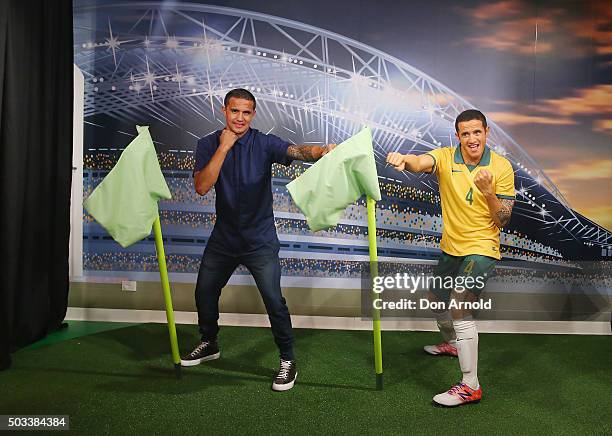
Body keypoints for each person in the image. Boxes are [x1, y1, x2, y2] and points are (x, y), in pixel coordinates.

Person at [181, 88, 336, 391]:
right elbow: (201, 186)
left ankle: (288, 360)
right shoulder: (208, 144)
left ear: (253, 114)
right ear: (224, 111)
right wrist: (224, 148)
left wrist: (320, 152)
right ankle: (210, 342)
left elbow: (294, 151)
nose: (240, 117)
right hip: (224, 238)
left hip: (260, 240)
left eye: (246, 112)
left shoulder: (264, 143)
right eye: (234, 111)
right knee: (204, 291)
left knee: (273, 300)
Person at [386, 109, 515, 407]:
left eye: (477, 132)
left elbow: (503, 220)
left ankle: (470, 386)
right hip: (451, 246)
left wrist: (489, 192)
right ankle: (454, 344)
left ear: (486, 132)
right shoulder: (446, 156)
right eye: (465, 133)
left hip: (482, 247)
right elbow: (421, 162)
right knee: (435, 299)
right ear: (457, 136)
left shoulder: (502, 167)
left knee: (460, 307)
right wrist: (404, 160)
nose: (472, 139)